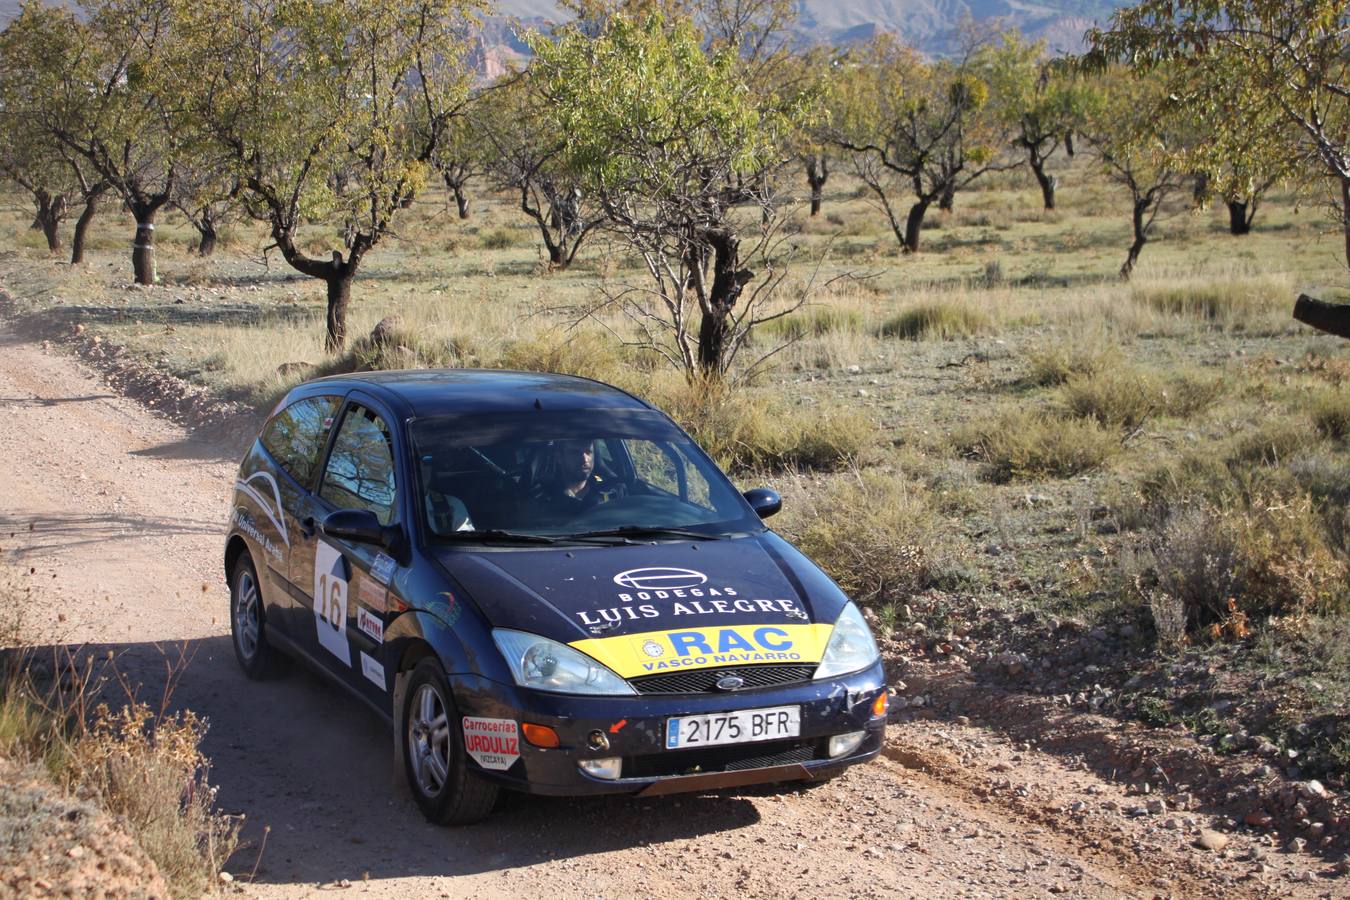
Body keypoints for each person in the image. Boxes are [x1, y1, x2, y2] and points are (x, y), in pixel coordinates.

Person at [530, 439, 623, 516]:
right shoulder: (542, 497)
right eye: (575, 452)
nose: (585, 459)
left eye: (588, 452)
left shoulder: (612, 493)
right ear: (559, 458)